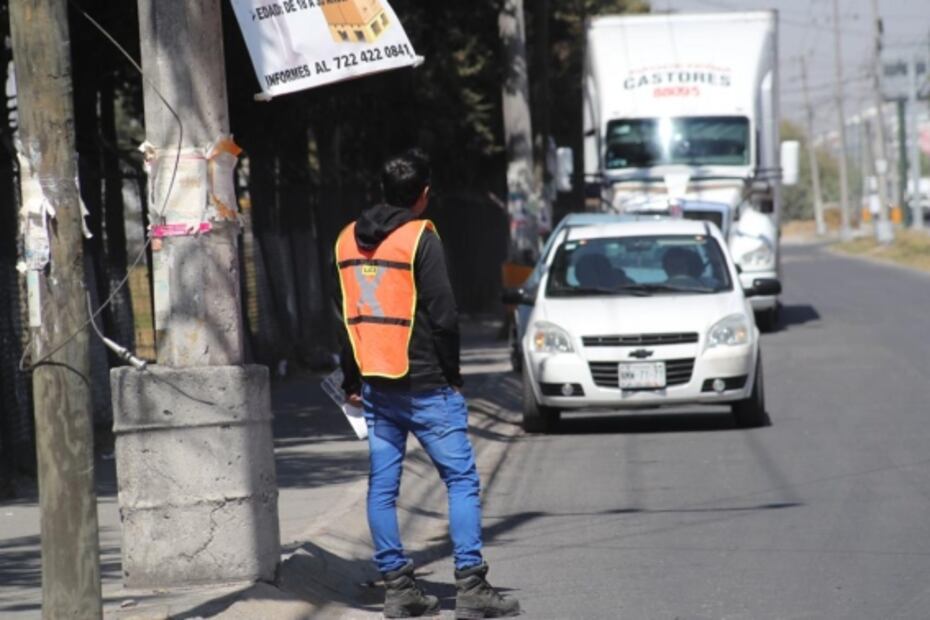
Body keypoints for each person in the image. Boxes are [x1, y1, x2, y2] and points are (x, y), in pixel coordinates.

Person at [333, 149, 520, 619]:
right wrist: (453, 376)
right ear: (423, 195)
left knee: (382, 487)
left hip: (376, 380)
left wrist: (351, 380)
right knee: (460, 480)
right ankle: (472, 586)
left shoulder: (345, 241)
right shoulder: (421, 237)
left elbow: (348, 318)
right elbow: (444, 315)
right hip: (426, 383)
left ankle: (398, 588)